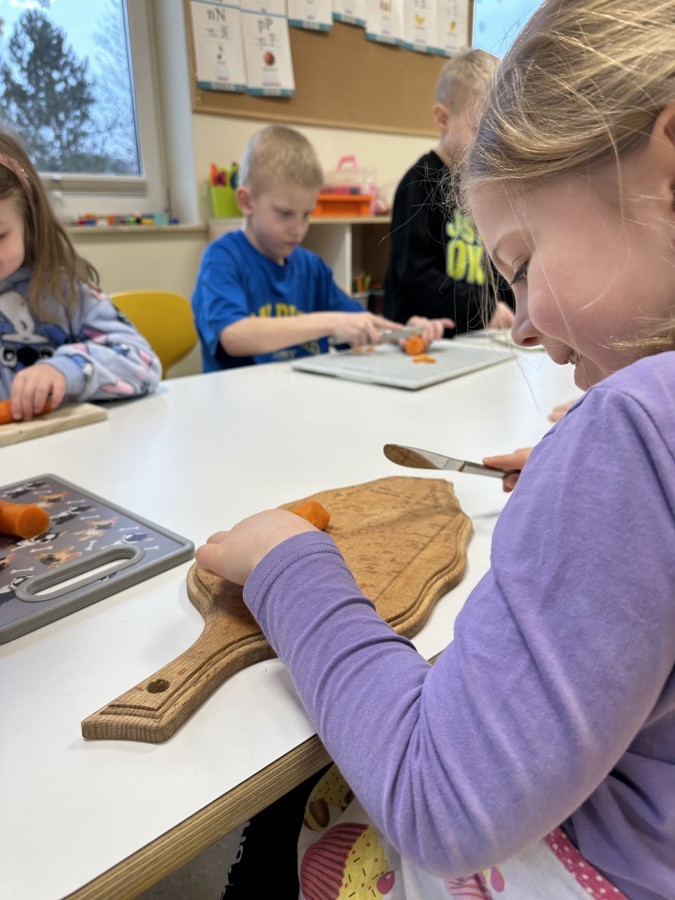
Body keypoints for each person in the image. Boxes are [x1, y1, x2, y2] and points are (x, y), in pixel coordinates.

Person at [198, 1, 675, 897]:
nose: (520, 324)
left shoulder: (635, 431)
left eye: (522, 262)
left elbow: (442, 800)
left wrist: (287, 563)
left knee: (299, 813)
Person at [192, 125, 449, 371]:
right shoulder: (222, 259)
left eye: (306, 214)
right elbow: (233, 336)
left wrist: (403, 333)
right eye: (285, 214)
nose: (298, 229)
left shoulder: (311, 268)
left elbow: (361, 325)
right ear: (246, 202)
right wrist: (331, 322)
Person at [0, 129, 161, 421]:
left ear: (29, 219)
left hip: (66, 443)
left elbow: (142, 361)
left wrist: (65, 369)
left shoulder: (64, 290)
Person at [383, 49, 515, 337]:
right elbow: (415, 276)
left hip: (478, 338)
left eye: (496, 132)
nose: (489, 146)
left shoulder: (482, 186)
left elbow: (499, 269)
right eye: (479, 131)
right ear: (443, 119)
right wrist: (484, 308)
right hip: (424, 340)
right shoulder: (418, 184)